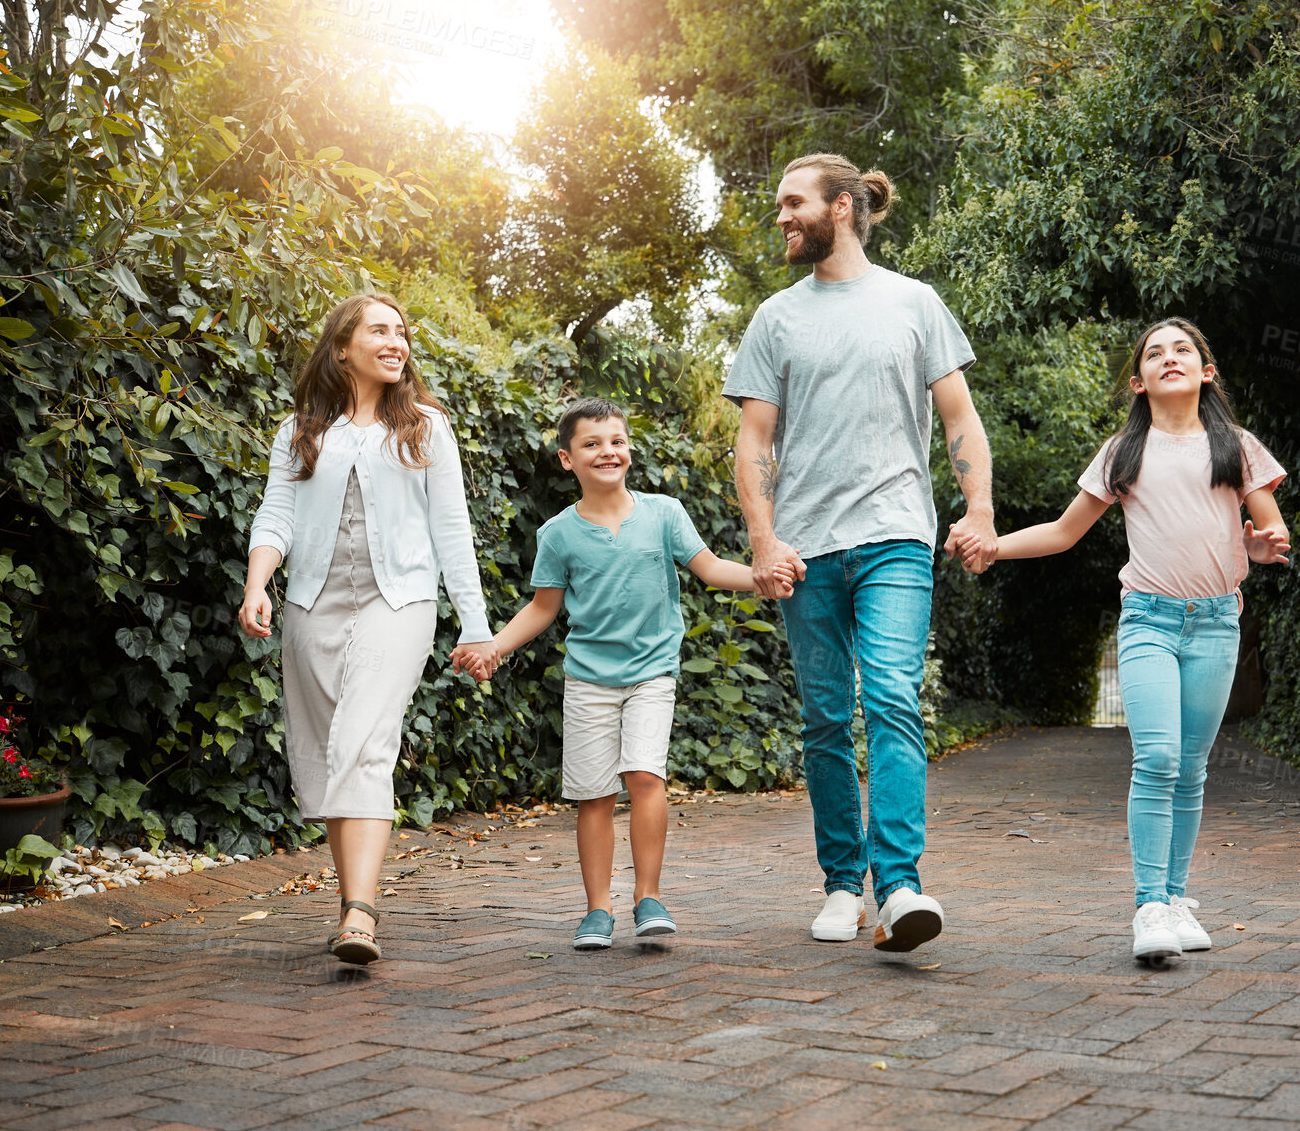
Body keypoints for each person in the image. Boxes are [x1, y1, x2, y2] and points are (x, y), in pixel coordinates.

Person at [953, 317, 1290, 965]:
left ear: (1205, 371)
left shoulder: (1237, 447)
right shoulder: (1122, 454)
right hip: (1149, 624)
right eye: (1155, 353)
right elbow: (1061, 532)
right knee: (1158, 758)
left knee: (1191, 769)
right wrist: (994, 546)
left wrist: (1258, 543)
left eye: (1183, 349)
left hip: (1218, 623)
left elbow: (1269, 531)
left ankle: (1176, 897)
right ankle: (1147, 905)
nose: (1170, 358)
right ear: (1139, 383)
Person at [725, 153, 997, 952]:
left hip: (896, 538)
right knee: (825, 719)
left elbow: (959, 418)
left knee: (890, 700)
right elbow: (754, 439)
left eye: (793, 203)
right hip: (806, 551)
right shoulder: (776, 317)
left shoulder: (914, 303)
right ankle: (842, 883)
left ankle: (900, 885)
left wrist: (978, 508)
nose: (782, 216)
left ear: (840, 207)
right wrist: (764, 540)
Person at [240, 292, 500, 965]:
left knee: (365, 739)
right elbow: (275, 517)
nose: (396, 342)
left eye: (402, 332)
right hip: (312, 606)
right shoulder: (301, 430)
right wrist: (257, 584)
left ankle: (362, 911)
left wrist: (475, 624)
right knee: (331, 752)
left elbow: (452, 532)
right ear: (342, 347)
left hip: (400, 602)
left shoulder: (425, 428)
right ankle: (351, 906)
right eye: (379, 330)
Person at [479, 398, 794, 951]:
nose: (608, 451)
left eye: (617, 441)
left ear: (630, 450)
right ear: (566, 459)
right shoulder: (557, 534)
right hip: (588, 681)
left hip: (652, 673)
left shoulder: (664, 513)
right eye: (592, 444)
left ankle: (648, 897)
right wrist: (495, 647)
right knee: (594, 795)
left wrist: (761, 576)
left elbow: (712, 569)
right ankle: (597, 910)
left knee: (645, 776)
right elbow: (543, 608)